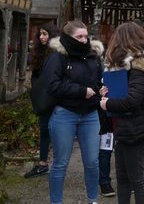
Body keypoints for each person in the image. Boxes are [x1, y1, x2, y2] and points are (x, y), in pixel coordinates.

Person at [99, 22, 144, 204]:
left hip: (135, 125)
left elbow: (133, 100)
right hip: (126, 125)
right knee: (123, 177)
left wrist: (108, 103)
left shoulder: (139, 65)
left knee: (135, 177)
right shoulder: (131, 65)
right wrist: (108, 92)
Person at [43, 20, 104, 204]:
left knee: (92, 161)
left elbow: (99, 80)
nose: (84, 40)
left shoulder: (93, 56)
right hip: (64, 113)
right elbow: (52, 85)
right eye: (79, 37)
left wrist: (102, 89)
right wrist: (81, 91)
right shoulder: (58, 56)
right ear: (68, 37)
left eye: (86, 36)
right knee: (61, 163)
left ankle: (93, 199)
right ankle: (56, 201)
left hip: (90, 114)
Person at [25, 22, 60, 178]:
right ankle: (43, 163)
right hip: (42, 97)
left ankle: (57, 164)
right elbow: (35, 76)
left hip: (56, 96)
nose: (42, 37)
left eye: (45, 34)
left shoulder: (58, 54)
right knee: (44, 129)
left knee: (58, 131)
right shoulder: (38, 52)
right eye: (40, 34)